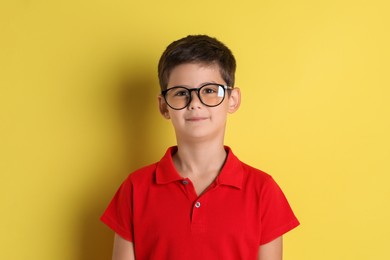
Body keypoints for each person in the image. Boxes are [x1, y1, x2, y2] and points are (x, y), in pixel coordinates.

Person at [101, 35, 299, 260]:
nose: (195, 103)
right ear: (164, 106)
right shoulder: (135, 189)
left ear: (232, 99)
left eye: (209, 90)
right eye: (181, 93)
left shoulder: (263, 190)